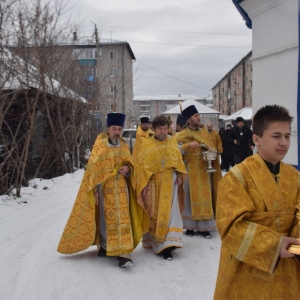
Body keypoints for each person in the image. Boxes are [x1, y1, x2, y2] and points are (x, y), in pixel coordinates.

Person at [214, 105, 300, 299]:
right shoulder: (237, 178)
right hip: (248, 270)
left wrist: (295, 245)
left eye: (287, 136)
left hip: (288, 267)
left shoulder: (295, 177)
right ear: (256, 139)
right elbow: (231, 227)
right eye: (276, 136)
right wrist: (275, 244)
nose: (284, 143)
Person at [57, 113, 143, 268]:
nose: (117, 132)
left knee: (123, 218)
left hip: (122, 190)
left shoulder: (124, 146)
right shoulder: (100, 147)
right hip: (105, 190)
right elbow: (93, 171)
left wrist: (128, 169)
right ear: (108, 129)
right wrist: (95, 191)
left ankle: (124, 253)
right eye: (114, 129)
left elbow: (131, 165)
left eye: (119, 129)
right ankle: (105, 246)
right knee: (105, 219)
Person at [135, 115, 187, 260]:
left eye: (165, 129)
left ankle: (168, 244)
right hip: (154, 184)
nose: (163, 132)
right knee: (155, 215)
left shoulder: (172, 141)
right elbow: (141, 166)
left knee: (171, 214)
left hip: (171, 183)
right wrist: (143, 184)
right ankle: (155, 241)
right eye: (160, 129)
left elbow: (178, 160)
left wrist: (179, 175)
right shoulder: (147, 143)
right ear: (154, 128)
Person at [176, 105, 222, 239]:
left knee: (204, 197)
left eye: (198, 115)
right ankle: (190, 226)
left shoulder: (204, 133)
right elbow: (175, 150)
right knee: (189, 198)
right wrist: (187, 146)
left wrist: (211, 153)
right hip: (189, 169)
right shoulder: (182, 134)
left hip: (204, 169)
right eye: (196, 116)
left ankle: (204, 227)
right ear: (189, 119)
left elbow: (212, 148)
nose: (198, 118)